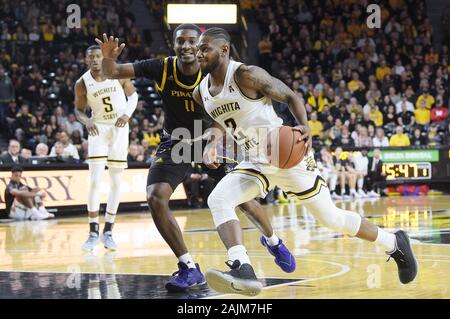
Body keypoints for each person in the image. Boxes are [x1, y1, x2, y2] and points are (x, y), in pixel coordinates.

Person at [195, 28, 417, 296]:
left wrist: (305, 126)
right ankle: (243, 268)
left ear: (224, 50)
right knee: (218, 199)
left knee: (331, 219)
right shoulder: (201, 92)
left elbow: (291, 96)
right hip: (255, 160)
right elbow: (220, 116)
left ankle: (394, 243)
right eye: (198, 48)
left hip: (285, 153)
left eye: (205, 47)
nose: (198, 53)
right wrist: (213, 141)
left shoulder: (246, 74)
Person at [96, 26, 294, 292]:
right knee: (155, 196)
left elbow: (231, 106)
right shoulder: (162, 67)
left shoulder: (211, 68)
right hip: (176, 141)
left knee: (245, 202)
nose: (188, 46)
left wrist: (216, 141)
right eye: (181, 41)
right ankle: (188, 267)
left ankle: (273, 241)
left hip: (212, 140)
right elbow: (112, 72)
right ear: (174, 44)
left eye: (193, 42)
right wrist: (109, 57)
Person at [74, 45, 138, 252]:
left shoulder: (116, 72)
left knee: (116, 181)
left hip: (119, 128)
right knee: (94, 180)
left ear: (104, 58)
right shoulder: (82, 82)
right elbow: (78, 110)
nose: (94, 60)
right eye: (90, 57)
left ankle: (108, 230)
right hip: (98, 129)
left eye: (98, 56)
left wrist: (127, 114)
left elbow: (134, 96)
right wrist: (86, 121)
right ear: (86, 60)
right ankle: (93, 231)